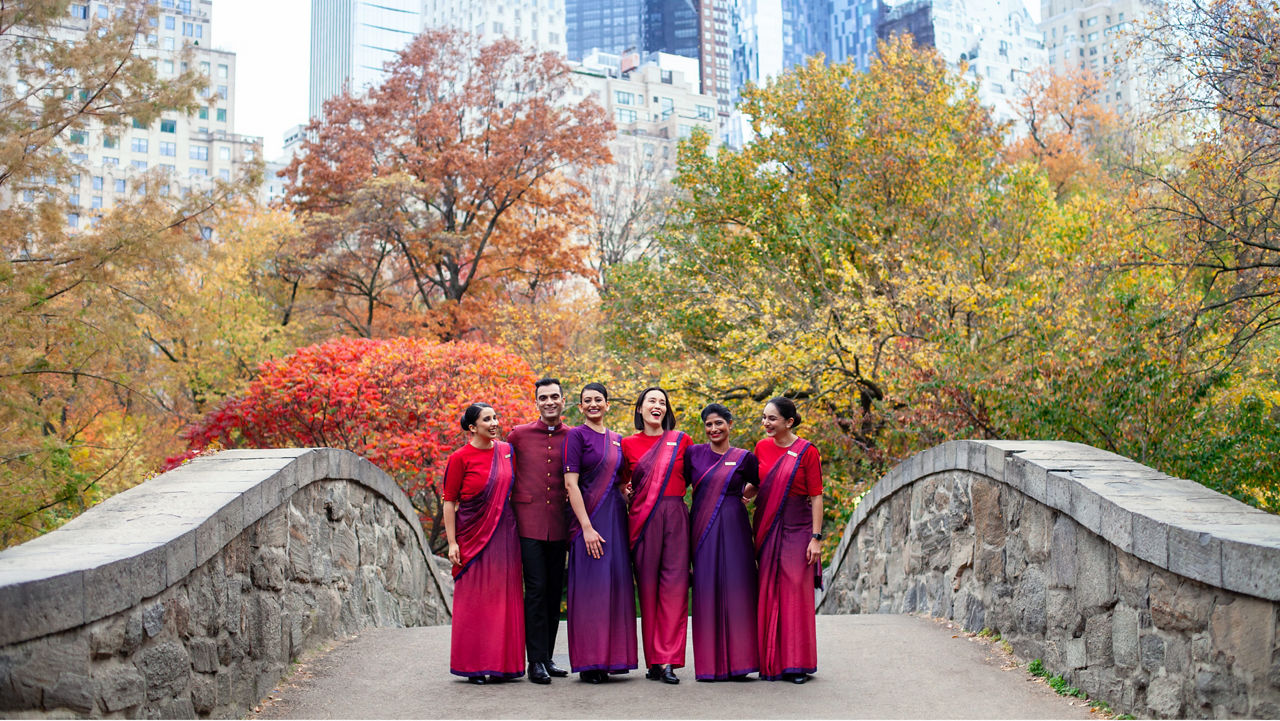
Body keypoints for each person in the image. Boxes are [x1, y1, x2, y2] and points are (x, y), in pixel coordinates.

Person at [443, 402, 526, 684]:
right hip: (471, 536)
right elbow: (449, 501)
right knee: (475, 600)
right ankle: (474, 666)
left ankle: (502, 664)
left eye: (495, 418)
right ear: (471, 427)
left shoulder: (506, 452)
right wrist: (452, 543)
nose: (494, 423)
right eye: (487, 419)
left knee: (504, 598)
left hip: (505, 534)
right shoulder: (459, 458)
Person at [562, 383, 638, 683]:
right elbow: (571, 484)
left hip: (616, 521)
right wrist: (587, 527)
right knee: (591, 592)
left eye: (598, 400)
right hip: (589, 523)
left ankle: (615, 658)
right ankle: (591, 662)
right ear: (580, 407)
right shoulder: (575, 436)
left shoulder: (618, 440)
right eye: (587, 401)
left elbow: (621, 482)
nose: (593, 404)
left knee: (615, 588)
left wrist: (629, 494)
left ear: (608, 405)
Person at [621, 386, 691, 685]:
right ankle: (653, 660)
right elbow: (620, 483)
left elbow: (696, 476)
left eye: (662, 402)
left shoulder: (682, 441)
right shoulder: (625, 444)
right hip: (642, 520)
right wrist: (629, 497)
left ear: (667, 410)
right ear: (640, 409)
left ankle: (669, 661)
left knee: (675, 589)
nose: (657, 406)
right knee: (648, 592)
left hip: (675, 516)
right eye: (651, 401)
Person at [752, 397, 823, 684]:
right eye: (764, 418)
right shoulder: (760, 447)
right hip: (767, 525)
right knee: (768, 589)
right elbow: (759, 484)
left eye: (772, 419)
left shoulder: (807, 451)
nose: (766, 424)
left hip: (798, 526)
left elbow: (817, 495)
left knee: (795, 589)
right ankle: (770, 662)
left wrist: (816, 538)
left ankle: (797, 663)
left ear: (789, 422)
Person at [506, 378, 572, 684]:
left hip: (559, 522)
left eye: (554, 397)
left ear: (562, 401)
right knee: (535, 590)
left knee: (553, 592)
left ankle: (547, 656)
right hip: (528, 522)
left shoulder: (573, 436)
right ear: (536, 402)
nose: (549, 401)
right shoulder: (518, 435)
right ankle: (534, 662)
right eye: (543, 397)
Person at [687, 403, 760, 681]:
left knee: (738, 588)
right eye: (708, 424)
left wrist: (744, 496)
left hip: (734, 526)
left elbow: (759, 483)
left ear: (730, 424)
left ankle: (741, 662)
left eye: (719, 423)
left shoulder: (744, 457)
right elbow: (677, 483)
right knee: (706, 590)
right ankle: (710, 665)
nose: (714, 429)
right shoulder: (693, 454)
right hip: (702, 526)